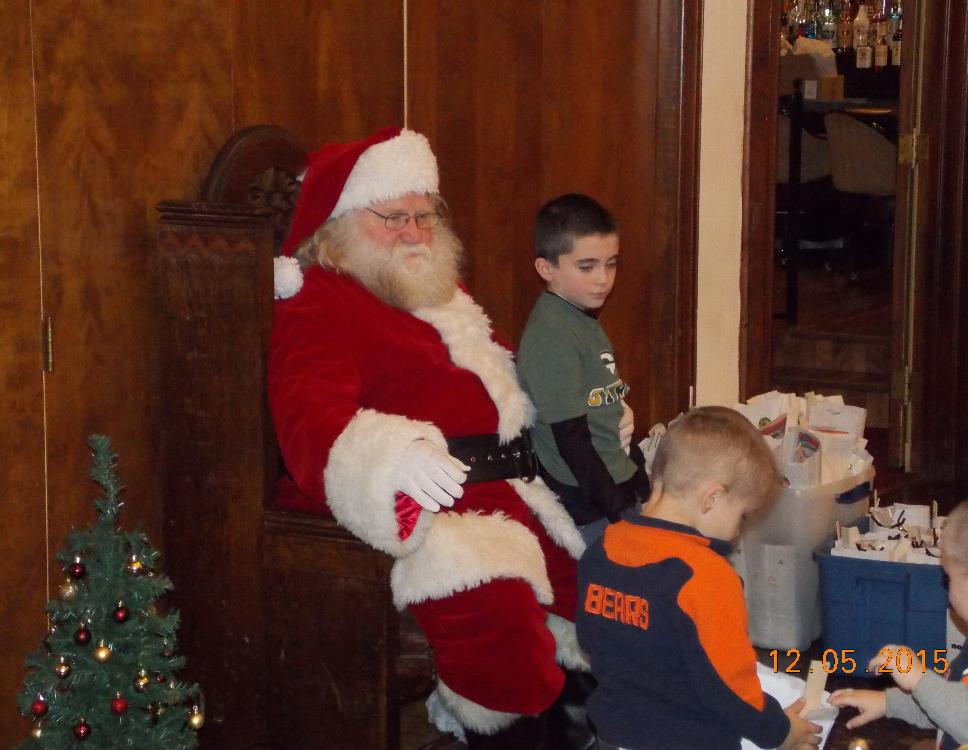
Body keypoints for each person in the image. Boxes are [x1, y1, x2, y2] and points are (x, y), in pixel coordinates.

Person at [267, 127, 595, 748]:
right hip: (424, 513)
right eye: (393, 217)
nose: (415, 233)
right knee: (499, 616)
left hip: (510, 488)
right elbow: (310, 426)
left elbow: (503, 377)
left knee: (604, 591)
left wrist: (585, 412)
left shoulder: (432, 289)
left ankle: (588, 731)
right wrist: (396, 459)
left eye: (424, 215)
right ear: (338, 227)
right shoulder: (316, 302)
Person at [576, 406, 822, 750]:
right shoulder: (705, 575)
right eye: (742, 515)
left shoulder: (601, 550)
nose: (738, 531)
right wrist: (779, 731)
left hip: (614, 736)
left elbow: (591, 642)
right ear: (712, 498)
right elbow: (730, 685)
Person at [517, 194, 649, 546]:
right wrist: (614, 505)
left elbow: (603, 408)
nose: (603, 279)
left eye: (611, 264)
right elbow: (570, 438)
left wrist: (635, 471)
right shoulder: (552, 334)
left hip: (613, 478)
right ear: (547, 269)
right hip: (590, 500)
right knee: (616, 594)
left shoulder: (578, 316)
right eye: (587, 267)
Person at [830, 493, 968, 750]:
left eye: (949, 577)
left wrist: (919, 678)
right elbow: (951, 702)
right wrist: (890, 702)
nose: (947, 589)